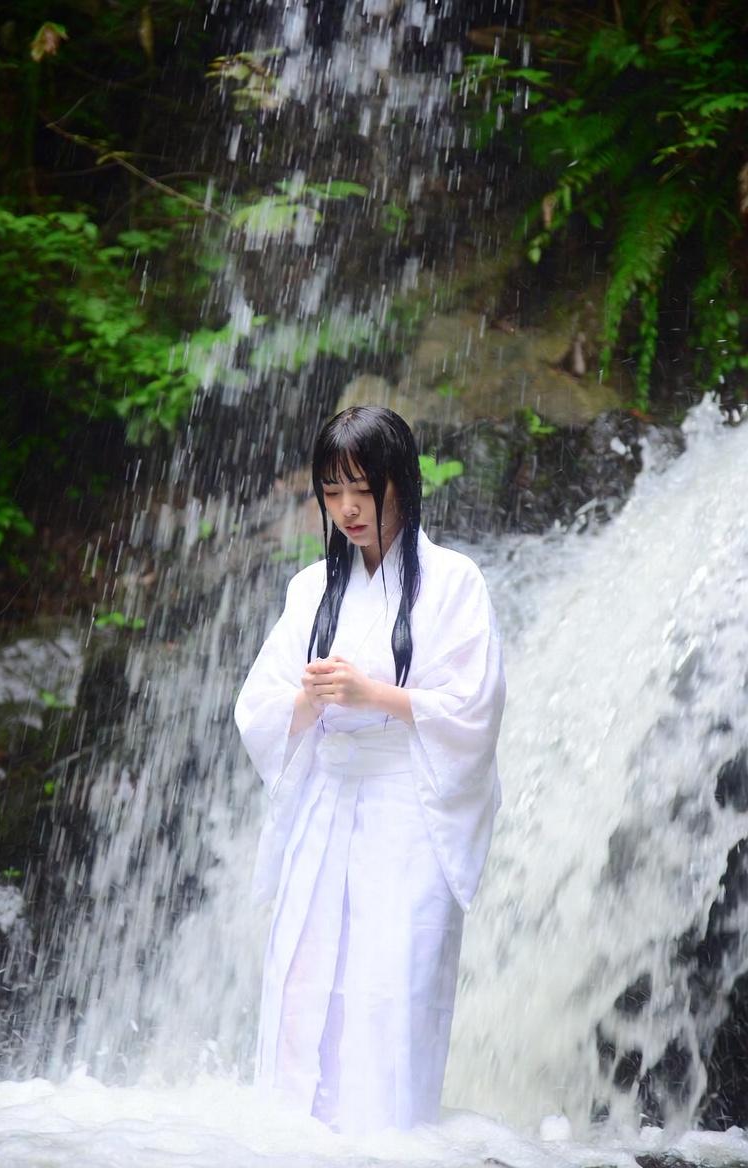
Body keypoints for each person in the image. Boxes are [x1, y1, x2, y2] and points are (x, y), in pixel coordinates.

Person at [234, 405, 506, 1135]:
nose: (347, 508)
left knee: (390, 984)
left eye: (363, 487)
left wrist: (373, 696)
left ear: (401, 483)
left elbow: (474, 709)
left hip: (408, 807)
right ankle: (295, 1140)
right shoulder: (310, 590)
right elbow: (259, 707)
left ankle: (388, 1140)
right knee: (305, 977)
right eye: (332, 491)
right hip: (326, 801)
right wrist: (311, 701)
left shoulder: (454, 581)